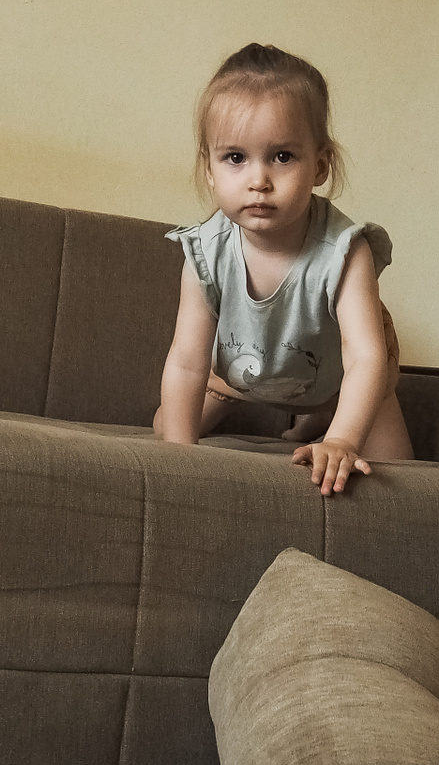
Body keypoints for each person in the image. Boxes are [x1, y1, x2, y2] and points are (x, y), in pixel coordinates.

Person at [153, 44, 411, 495]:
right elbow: (186, 361)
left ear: (320, 165)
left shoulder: (346, 251)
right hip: (238, 378)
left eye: (282, 156)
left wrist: (342, 439)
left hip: (339, 382)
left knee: (400, 472)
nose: (259, 181)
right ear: (209, 168)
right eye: (236, 158)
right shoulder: (205, 253)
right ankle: (243, 399)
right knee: (165, 429)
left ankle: (322, 420)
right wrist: (179, 462)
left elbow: (364, 358)